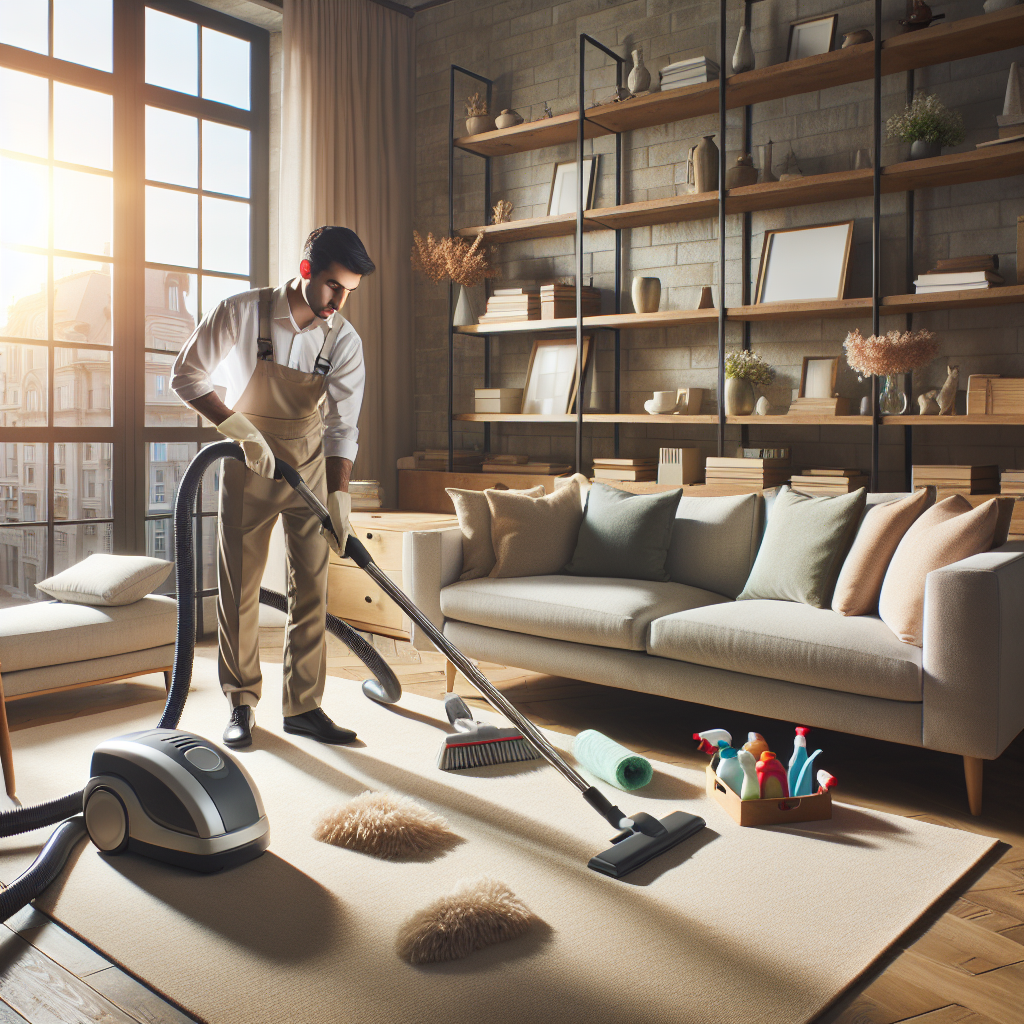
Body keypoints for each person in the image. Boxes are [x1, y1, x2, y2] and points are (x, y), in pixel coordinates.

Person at [170, 226, 373, 749]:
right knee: (239, 587)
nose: (338, 301)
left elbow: (342, 427)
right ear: (307, 271)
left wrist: (339, 495)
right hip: (249, 465)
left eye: (348, 290)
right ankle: (241, 703)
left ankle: (303, 706)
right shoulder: (240, 311)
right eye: (332, 286)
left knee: (312, 587)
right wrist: (239, 430)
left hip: (307, 469)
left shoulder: (343, 340)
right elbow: (186, 376)